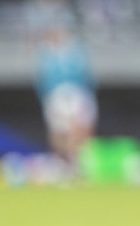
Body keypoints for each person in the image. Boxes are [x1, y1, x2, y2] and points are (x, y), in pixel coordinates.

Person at [34, 25, 96, 162]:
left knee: (79, 129)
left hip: (75, 94)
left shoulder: (77, 52)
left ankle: (77, 160)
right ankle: (60, 160)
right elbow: (44, 80)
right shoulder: (48, 54)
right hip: (58, 95)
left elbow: (86, 77)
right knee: (59, 131)